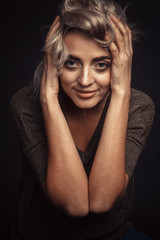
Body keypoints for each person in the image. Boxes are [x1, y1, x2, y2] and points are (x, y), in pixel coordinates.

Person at [10, 0, 155, 239]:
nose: (85, 80)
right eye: (71, 62)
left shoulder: (139, 106)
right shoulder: (26, 104)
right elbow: (74, 204)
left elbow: (101, 201)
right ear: (53, 61)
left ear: (121, 65)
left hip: (113, 235)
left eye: (101, 64)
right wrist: (48, 98)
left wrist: (121, 93)